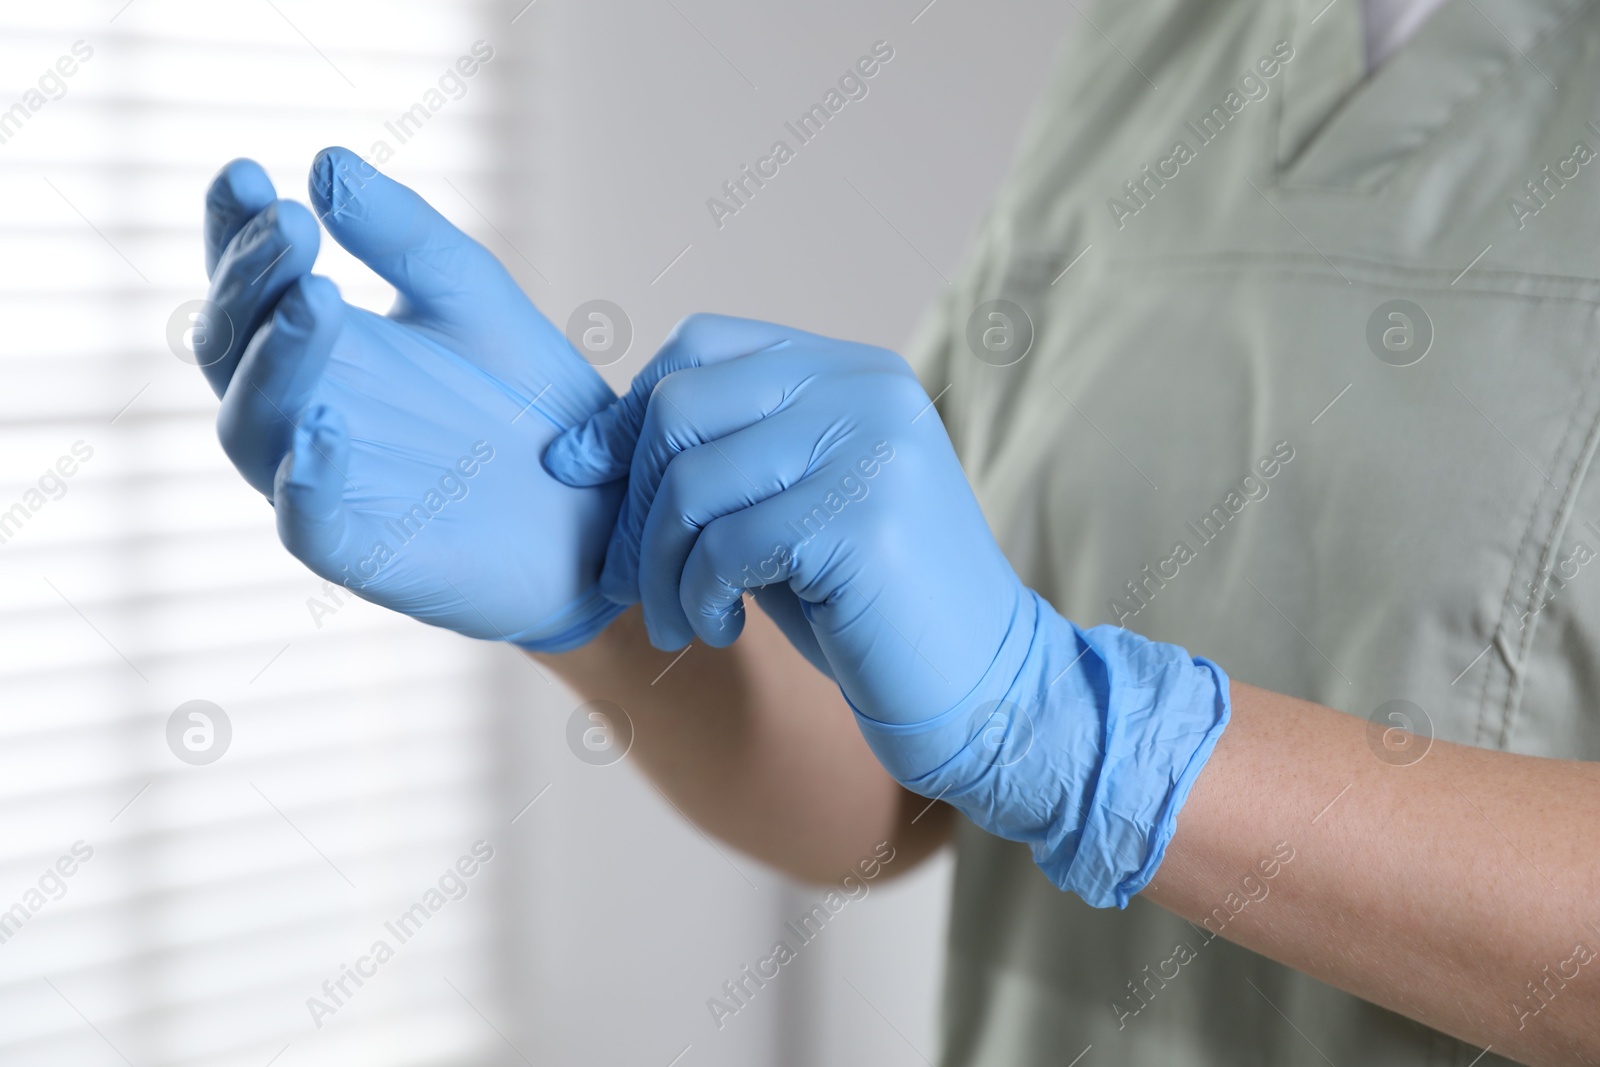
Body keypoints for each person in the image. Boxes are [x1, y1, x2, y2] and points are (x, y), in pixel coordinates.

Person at [192, 0, 1600, 1062]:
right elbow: (905, 789)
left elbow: (1019, 719)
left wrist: (1090, 738)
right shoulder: (1156, 46)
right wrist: (604, 584)